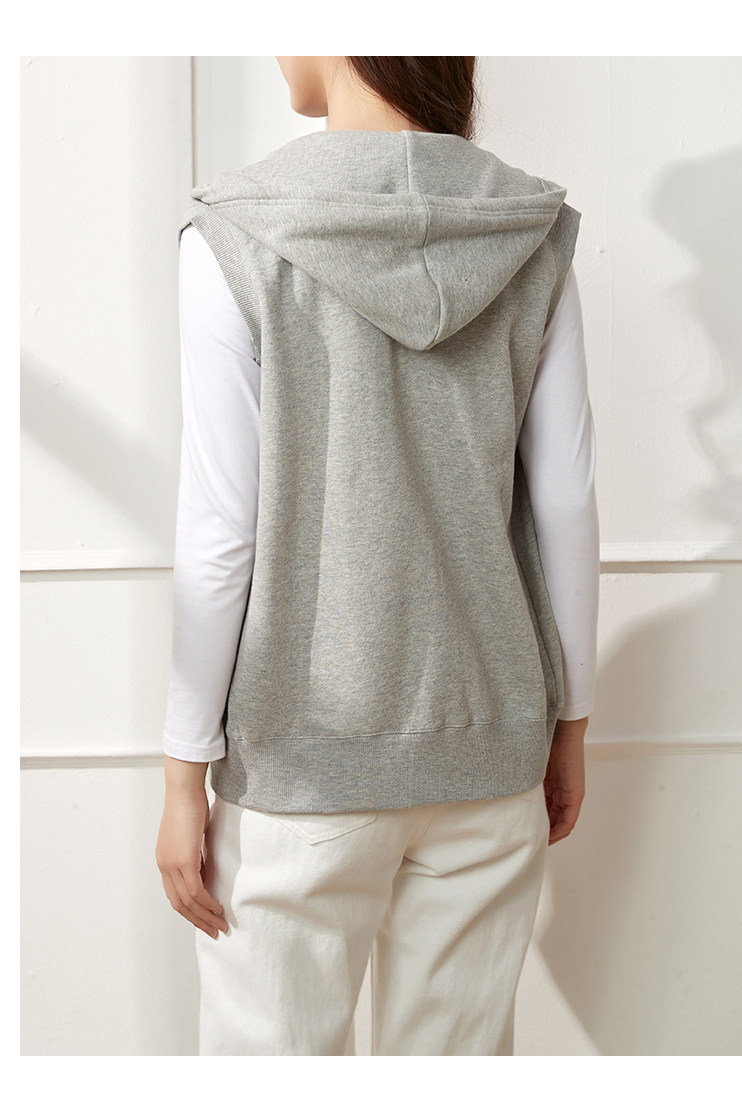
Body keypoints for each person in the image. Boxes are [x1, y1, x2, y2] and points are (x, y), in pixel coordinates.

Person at [155, 56, 599, 1057]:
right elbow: (567, 500)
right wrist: (569, 721)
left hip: (300, 764)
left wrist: (185, 774)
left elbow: (221, 528)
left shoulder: (234, 234)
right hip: (489, 747)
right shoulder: (532, 233)